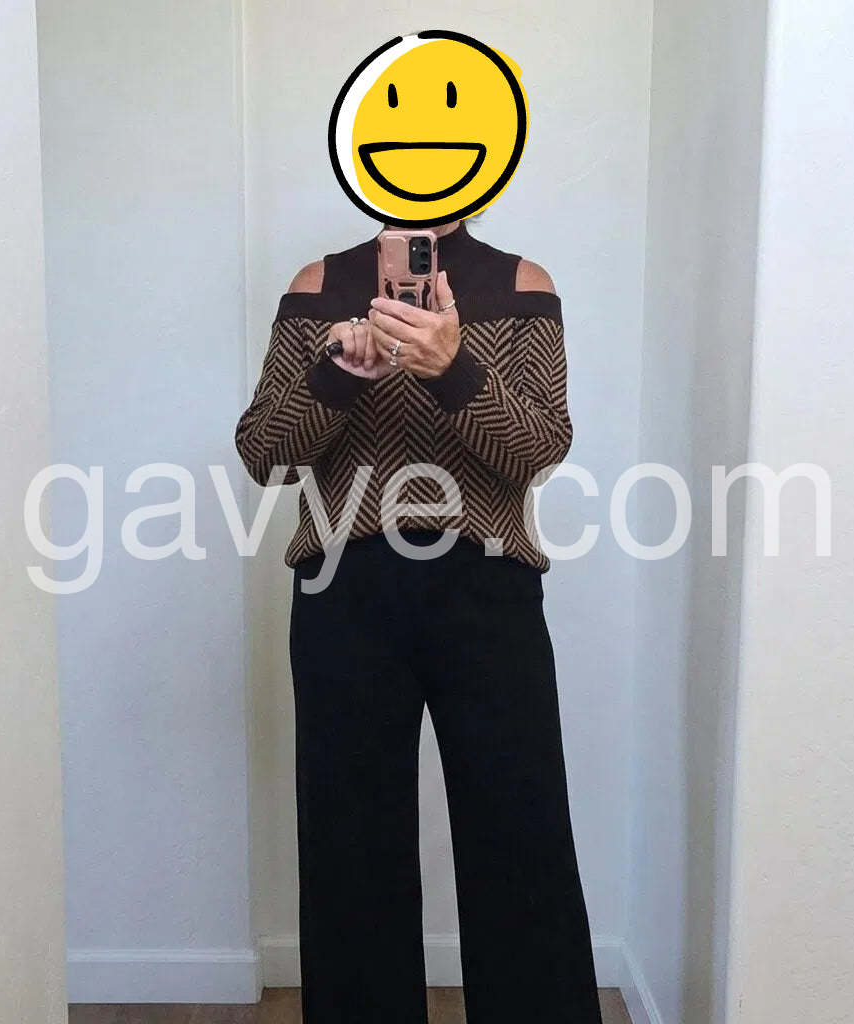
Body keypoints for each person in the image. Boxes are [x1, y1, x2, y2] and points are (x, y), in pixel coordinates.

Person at [235, 218, 602, 1024]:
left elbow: (540, 450)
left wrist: (452, 368)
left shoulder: (522, 284)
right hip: (344, 590)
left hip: (489, 587)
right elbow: (266, 455)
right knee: (350, 841)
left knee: (521, 832)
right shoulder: (316, 286)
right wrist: (339, 376)